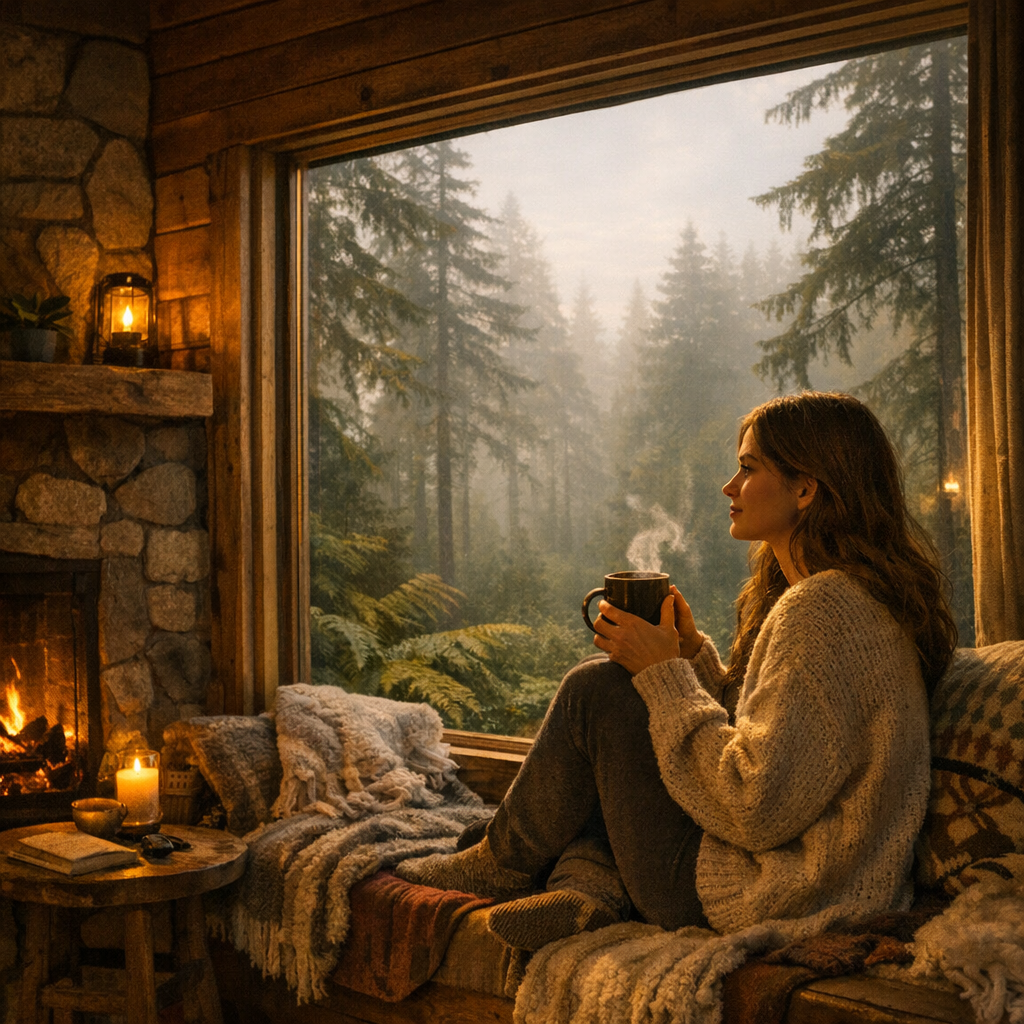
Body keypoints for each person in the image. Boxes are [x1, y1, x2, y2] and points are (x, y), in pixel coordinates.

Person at [397, 391, 958, 950]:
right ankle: (586, 890)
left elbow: (754, 807)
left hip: (773, 895)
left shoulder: (821, 609)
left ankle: (499, 864)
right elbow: (790, 749)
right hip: (823, 884)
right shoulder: (853, 599)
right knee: (626, 734)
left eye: (747, 468)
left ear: (806, 488)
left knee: (599, 689)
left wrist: (664, 677)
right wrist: (693, 664)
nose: (729, 488)